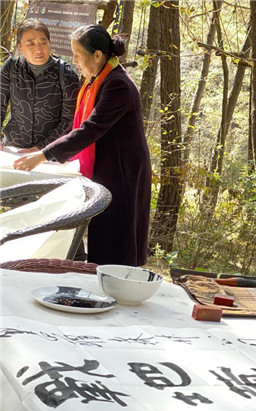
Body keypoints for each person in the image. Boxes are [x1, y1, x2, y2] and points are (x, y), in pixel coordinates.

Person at [13, 25, 151, 267]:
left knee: (117, 239)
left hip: (122, 171)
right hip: (105, 168)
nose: (74, 60)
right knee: (102, 233)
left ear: (97, 55)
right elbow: (78, 125)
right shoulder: (95, 80)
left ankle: (117, 287)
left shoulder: (118, 85)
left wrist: (44, 156)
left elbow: (91, 129)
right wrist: (42, 151)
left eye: (78, 54)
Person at [0, 19, 79, 152]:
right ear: (20, 46)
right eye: (30, 44)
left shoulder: (66, 74)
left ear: (49, 43)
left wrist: (39, 150)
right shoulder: (12, 68)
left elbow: (69, 120)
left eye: (43, 42)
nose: (38, 49)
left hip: (50, 154)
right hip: (13, 148)